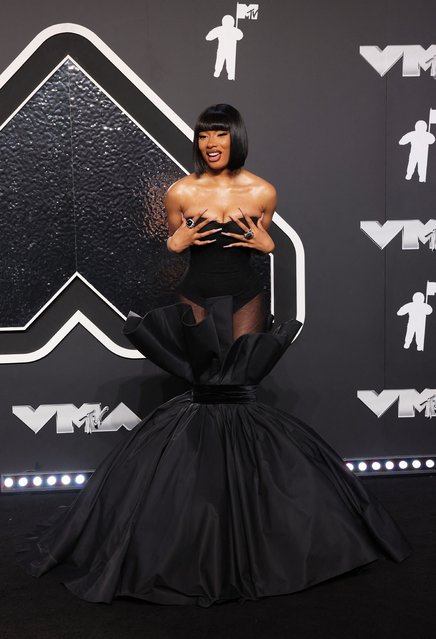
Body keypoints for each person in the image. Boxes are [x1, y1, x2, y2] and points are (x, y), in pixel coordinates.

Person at [16, 104, 410, 607]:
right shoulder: (180, 191)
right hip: (194, 292)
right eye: (204, 136)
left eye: (220, 134)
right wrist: (172, 243)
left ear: (235, 138)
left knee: (237, 390)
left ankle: (249, 509)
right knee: (206, 389)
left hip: (246, 293)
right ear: (198, 142)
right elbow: (170, 252)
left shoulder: (262, 191)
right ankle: (198, 505)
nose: (211, 143)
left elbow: (260, 241)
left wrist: (270, 245)